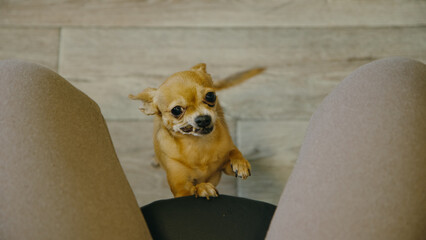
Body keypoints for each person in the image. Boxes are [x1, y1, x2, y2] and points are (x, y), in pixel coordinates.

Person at [0, 57, 425, 240]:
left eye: (209, 100)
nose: (201, 117)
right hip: (186, 168)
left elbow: (227, 151)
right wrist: (197, 187)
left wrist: (235, 157)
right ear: (157, 112)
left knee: (16, 82)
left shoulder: (215, 130)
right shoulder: (171, 148)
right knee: (397, 80)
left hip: (210, 159)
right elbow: (179, 191)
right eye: (181, 112)